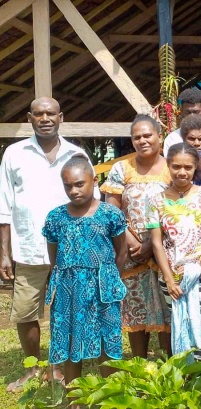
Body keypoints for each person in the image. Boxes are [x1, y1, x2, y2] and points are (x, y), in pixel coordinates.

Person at [0, 97, 91, 391]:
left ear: (61, 117)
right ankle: (34, 368)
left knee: (66, 310)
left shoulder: (77, 154)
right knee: (25, 312)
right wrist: (4, 253)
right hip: (28, 247)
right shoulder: (14, 154)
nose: (45, 118)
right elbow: (4, 206)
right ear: (30, 118)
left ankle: (60, 368)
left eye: (50, 113)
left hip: (71, 250)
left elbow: (93, 202)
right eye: (38, 114)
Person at [41, 155, 127, 386]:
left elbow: (122, 251)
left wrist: (108, 278)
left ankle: (110, 393)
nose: (73, 190)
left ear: (94, 181)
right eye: (67, 185)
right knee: (70, 342)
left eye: (79, 184)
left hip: (102, 288)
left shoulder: (110, 214)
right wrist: (67, 278)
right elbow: (54, 257)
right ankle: (74, 396)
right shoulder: (56, 217)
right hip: (68, 289)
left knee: (105, 340)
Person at [101, 115, 172, 358]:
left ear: (159, 136)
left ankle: (168, 365)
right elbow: (111, 211)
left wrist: (152, 245)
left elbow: (179, 207)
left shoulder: (172, 167)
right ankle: (140, 364)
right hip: (130, 252)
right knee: (135, 308)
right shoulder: (121, 169)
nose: (142, 140)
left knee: (168, 310)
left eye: (147, 135)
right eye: (137, 137)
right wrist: (133, 243)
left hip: (165, 249)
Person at [148, 143, 201, 360]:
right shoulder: (156, 201)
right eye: (176, 166)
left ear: (195, 168)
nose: (182, 172)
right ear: (168, 166)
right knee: (181, 326)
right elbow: (156, 243)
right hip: (172, 278)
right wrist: (170, 280)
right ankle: (186, 382)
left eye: (188, 167)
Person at [163, 87, 201, 156]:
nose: (192, 116)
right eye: (188, 112)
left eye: (196, 112)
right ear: (181, 110)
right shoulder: (172, 139)